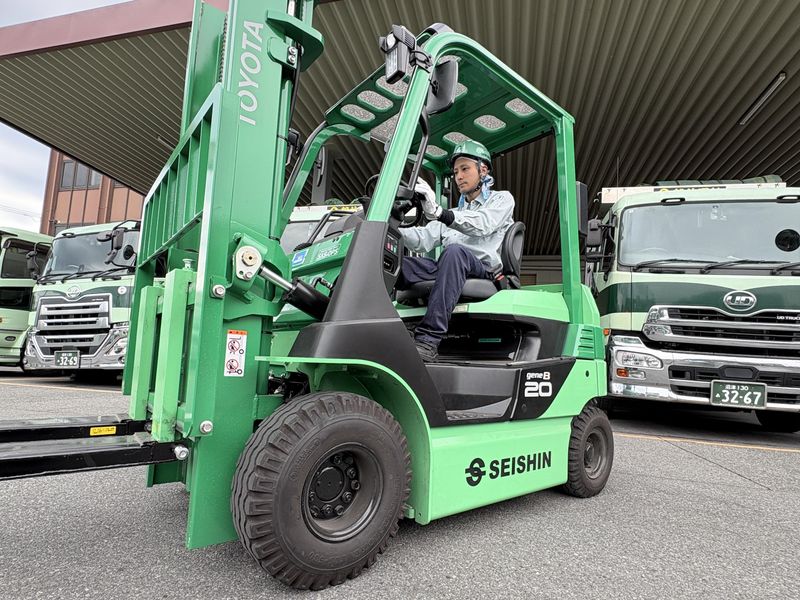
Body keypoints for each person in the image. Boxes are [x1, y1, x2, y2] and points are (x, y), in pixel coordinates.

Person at [397, 140, 515, 361]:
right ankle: (380, 327)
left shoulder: (501, 199)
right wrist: (389, 227)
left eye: (465, 169)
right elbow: (422, 239)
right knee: (395, 262)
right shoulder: (453, 213)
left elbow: (483, 223)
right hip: (450, 268)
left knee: (454, 252)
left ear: (483, 170)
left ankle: (428, 340)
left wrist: (440, 213)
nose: (459, 176)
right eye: (456, 172)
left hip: (483, 270)